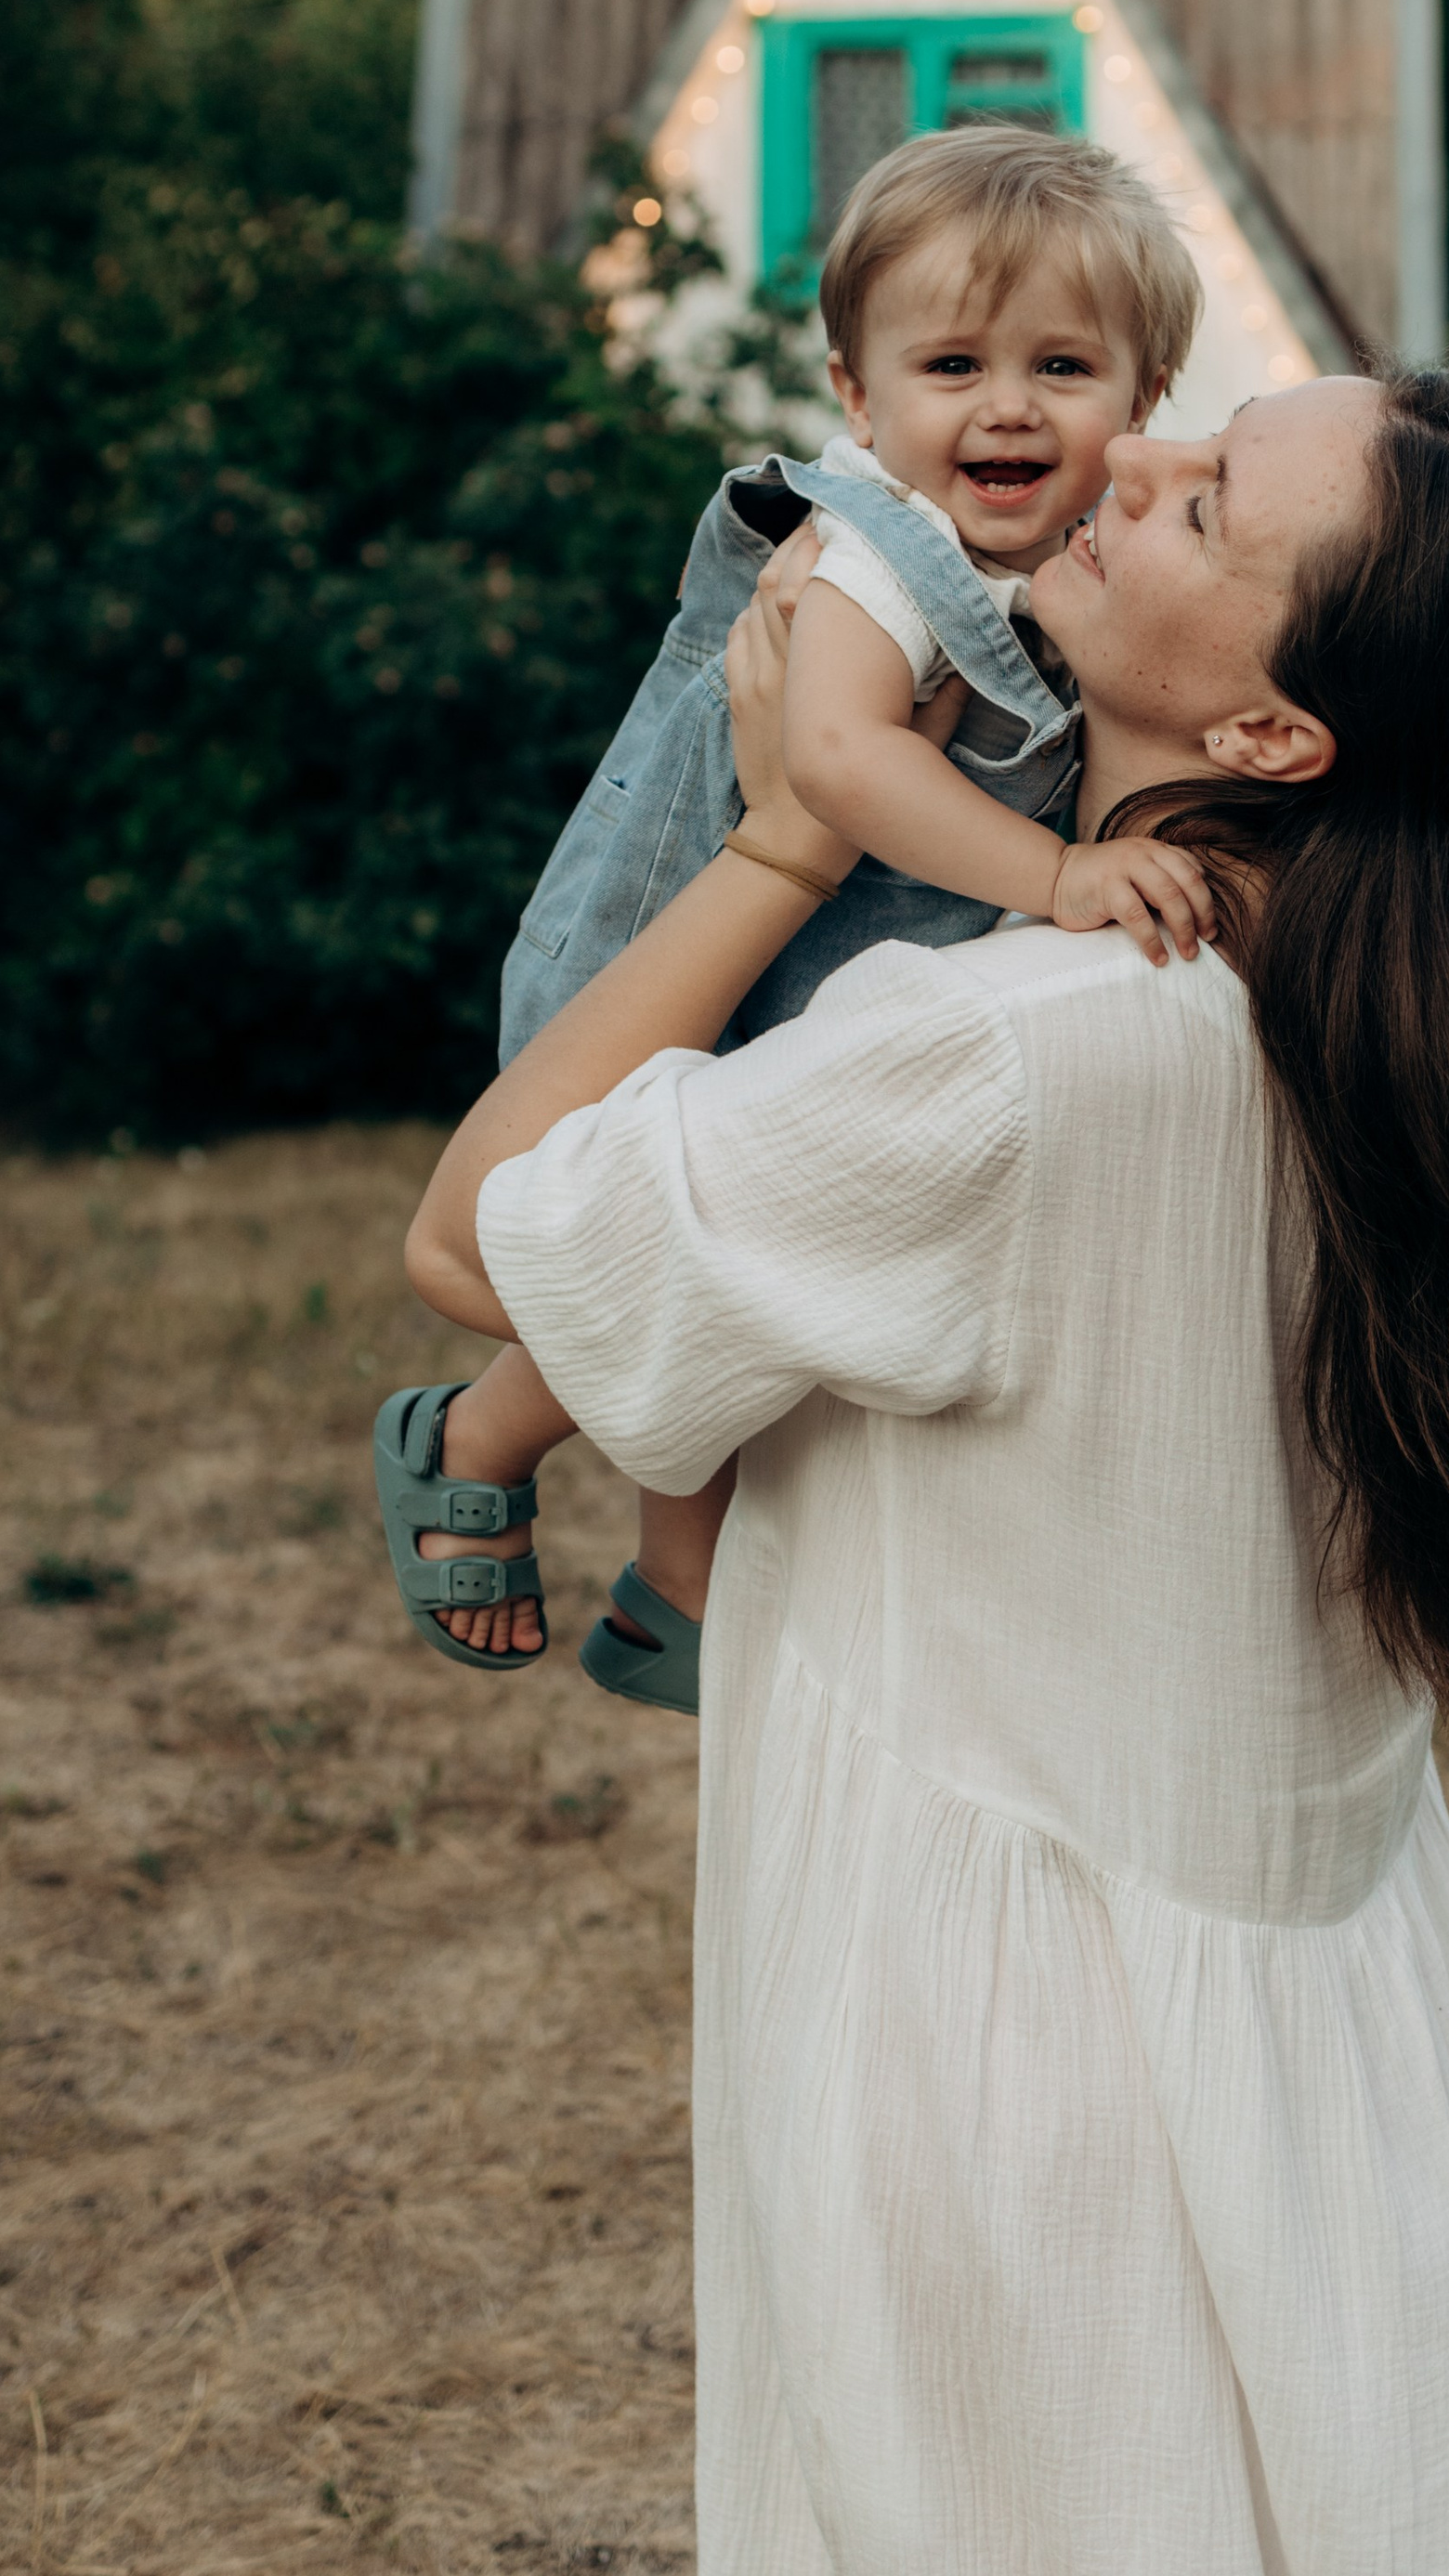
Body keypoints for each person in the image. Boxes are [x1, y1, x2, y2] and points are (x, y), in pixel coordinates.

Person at [405, 362, 1449, 2576]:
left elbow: (477, 1237)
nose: (1127, 455)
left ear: (1273, 734)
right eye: (1199, 432)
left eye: (1206, 504)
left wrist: (784, 832)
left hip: (1009, 2110)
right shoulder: (1399, 1019)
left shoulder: (1014, 1051)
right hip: (1330, 2082)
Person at [376, 126, 1212, 1702]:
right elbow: (832, 757)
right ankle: (479, 1437)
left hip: (836, 972)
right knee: (659, 1240)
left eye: (1063, 365)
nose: (1008, 406)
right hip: (687, 948)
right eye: (952, 364)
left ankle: (673, 1580)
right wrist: (1056, 881)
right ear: (856, 394)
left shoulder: (1074, 571)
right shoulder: (879, 553)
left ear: (1145, 396)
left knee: (739, 1255)